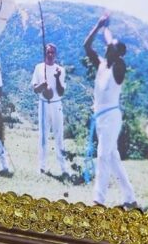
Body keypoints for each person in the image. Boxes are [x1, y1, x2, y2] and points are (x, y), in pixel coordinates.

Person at [82, 13, 137, 209]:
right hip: (100, 118)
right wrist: (100, 26)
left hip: (111, 118)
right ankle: (130, 198)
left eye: (111, 47)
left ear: (117, 53)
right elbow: (87, 46)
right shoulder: (101, 65)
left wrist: (108, 33)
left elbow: (111, 44)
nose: (106, 48)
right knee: (112, 157)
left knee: (103, 156)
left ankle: (99, 200)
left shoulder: (119, 67)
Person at [31, 43, 70, 178]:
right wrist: (42, 86)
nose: (50, 54)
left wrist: (57, 78)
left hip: (56, 104)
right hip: (43, 104)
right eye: (48, 52)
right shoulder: (38, 68)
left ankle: (64, 168)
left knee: (59, 135)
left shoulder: (60, 70)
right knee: (43, 136)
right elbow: (35, 89)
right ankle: (42, 167)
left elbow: (61, 92)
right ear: (45, 53)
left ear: (56, 54)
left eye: (53, 52)